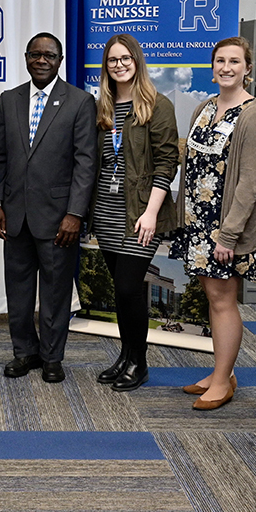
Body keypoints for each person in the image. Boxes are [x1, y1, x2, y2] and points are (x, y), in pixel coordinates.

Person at [0, 32, 97, 383]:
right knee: (18, 291)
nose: (41, 60)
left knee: (55, 290)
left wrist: (75, 214)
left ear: (60, 60)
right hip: (15, 215)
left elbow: (85, 163)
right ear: (25, 58)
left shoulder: (80, 102)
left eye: (49, 55)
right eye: (34, 54)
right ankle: (24, 353)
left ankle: (52, 356)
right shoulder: (9, 99)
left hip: (58, 217)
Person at [172, 37, 256, 409]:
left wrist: (227, 235)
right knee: (213, 299)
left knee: (223, 300)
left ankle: (224, 381)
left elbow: (250, 182)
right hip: (198, 223)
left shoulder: (254, 114)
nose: (226, 67)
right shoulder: (205, 107)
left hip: (225, 228)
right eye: (219, 61)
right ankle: (220, 372)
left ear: (248, 68)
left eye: (234, 61)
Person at [89, 33, 180, 392]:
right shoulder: (104, 107)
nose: (120, 65)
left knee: (130, 288)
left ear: (137, 61)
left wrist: (151, 213)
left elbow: (166, 162)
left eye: (126, 58)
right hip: (108, 210)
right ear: (106, 66)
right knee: (120, 291)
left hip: (140, 212)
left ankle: (139, 363)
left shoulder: (156, 105)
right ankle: (125, 356)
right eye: (113, 60)